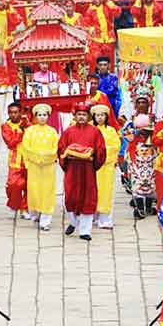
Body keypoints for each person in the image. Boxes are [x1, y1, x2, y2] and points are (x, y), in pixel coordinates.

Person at [58, 102, 107, 240]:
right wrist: (67, 161)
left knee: (88, 198)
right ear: (75, 116)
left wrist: (93, 161)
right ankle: (73, 222)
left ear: (89, 117)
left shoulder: (95, 132)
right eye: (79, 114)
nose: (81, 117)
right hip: (72, 169)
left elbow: (101, 150)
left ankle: (85, 231)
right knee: (70, 197)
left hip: (87, 170)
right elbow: (61, 148)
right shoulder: (68, 132)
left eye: (84, 115)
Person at [19, 104, 60, 231]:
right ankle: (35, 213)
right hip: (34, 166)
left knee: (48, 190)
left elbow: (56, 148)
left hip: (48, 167)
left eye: (44, 115)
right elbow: (25, 147)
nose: (42, 117)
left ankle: (46, 219)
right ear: (36, 117)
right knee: (34, 190)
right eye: (40, 115)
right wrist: (34, 159)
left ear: (48, 116)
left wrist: (46, 158)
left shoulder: (52, 132)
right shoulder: (30, 131)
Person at [91, 104, 121, 229]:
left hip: (107, 165)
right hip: (93, 166)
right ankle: (93, 215)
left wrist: (104, 153)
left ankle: (105, 219)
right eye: (97, 115)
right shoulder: (91, 130)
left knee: (106, 191)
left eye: (102, 115)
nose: (100, 118)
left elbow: (116, 146)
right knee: (93, 190)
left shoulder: (111, 131)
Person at [1, 102, 29, 216]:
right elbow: (10, 142)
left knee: (29, 184)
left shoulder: (27, 123)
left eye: (16, 112)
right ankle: (13, 205)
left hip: (28, 158)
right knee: (13, 184)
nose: (13, 115)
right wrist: (21, 132)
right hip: (15, 158)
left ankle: (25, 208)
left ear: (20, 112)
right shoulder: (6, 126)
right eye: (11, 112)